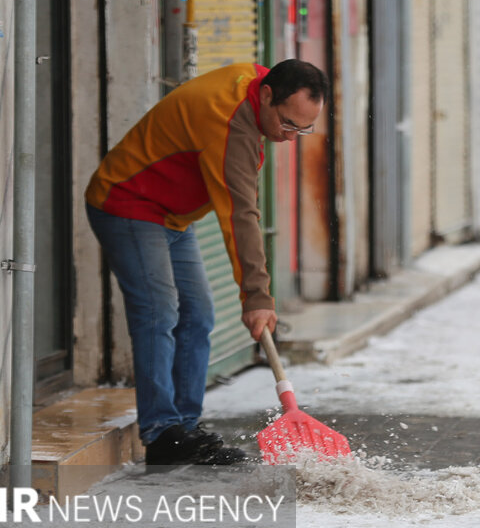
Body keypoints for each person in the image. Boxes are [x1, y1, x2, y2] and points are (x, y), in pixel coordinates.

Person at [85, 59, 328, 471]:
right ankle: (162, 433)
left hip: (171, 215)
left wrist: (254, 294)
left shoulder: (260, 80)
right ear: (266, 95)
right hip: (129, 203)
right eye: (288, 124)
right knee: (159, 312)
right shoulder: (230, 125)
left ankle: (185, 427)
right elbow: (240, 216)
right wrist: (256, 295)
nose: (291, 139)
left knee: (198, 314)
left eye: (303, 129)